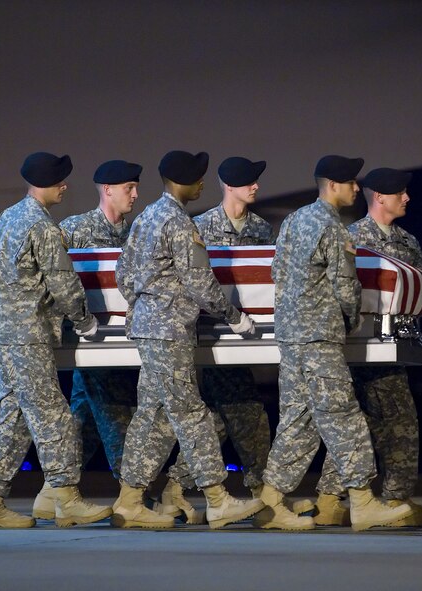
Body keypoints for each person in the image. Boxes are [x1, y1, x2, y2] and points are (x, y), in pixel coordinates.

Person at [254, 155, 414, 532]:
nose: (357, 189)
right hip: (319, 336)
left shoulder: (293, 220)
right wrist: (351, 320)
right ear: (333, 185)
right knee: (343, 414)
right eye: (352, 183)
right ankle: (362, 502)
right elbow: (346, 287)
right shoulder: (332, 226)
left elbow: (277, 271)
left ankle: (270, 502)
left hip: (291, 336)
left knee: (299, 420)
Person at [112, 150, 264, 529]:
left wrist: (146, 304)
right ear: (185, 181)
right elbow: (200, 283)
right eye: (198, 177)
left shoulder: (147, 216)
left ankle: (128, 501)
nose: (202, 183)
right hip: (169, 331)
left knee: (154, 416)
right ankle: (217, 499)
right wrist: (235, 318)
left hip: (149, 329)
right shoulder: (179, 222)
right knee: (191, 413)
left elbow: (122, 274)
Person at [0, 152, 113, 529]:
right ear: (48, 183)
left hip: (1, 333)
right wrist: (83, 320)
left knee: (11, 417)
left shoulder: (8, 218)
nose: (66, 186)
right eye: (61, 180)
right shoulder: (42, 226)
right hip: (28, 334)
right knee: (54, 416)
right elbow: (63, 282)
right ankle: (66, 499)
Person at [307, 167, 422, 527]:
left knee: (395, 422)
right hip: (354, 349)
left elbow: (421, 295)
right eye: (400, 192)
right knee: (358, 426)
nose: (407, 198)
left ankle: (391, 497)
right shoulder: (351, 238)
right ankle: (332, 500)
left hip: (391, 348)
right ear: (379, 197)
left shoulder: (408, 242)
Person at [156, 157, 273, 523]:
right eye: (248, 180)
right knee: (240, 412)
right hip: (208, 336)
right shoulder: (199, 226)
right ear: (229, 184)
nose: (255, 186)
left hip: (245, 335)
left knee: (232, 415)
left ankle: (177, 489)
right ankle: (261, 495)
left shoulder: (261, 229)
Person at [30, 159, 142, 520]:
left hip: (122, 340)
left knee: (83, 421)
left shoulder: (135, 233)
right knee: (115, 410)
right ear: (107, 190)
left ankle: (51, 495)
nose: (136, 195)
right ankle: (131, 494)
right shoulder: (74, 229)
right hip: (90, 339)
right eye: (129, 188)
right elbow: (53, 281)